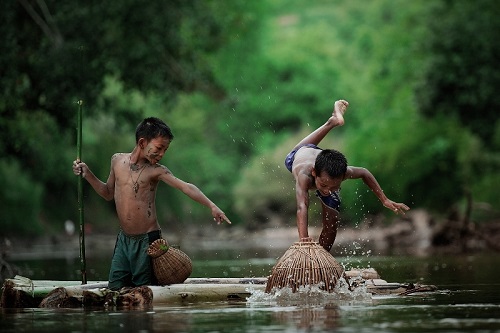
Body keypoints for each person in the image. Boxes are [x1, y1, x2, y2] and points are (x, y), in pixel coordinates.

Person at [72, 117, 231, 290]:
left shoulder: (156, 171)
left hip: (149, 241)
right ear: (142, 142)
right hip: (124, 240)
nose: (162, 154)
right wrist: (87, 174)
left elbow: (186, 187)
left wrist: (211, 205)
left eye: (165, 149)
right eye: (159, 148)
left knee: (144, 290)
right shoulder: (117, 161)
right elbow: (107, 193)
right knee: (115, 287)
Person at [284, 100, 410, 251]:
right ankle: (332, 122)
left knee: (332, 223)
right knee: (299, 150)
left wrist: (384, 199)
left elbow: (364, 172)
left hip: (325, 160)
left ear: (342, 177)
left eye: (334, 187)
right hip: (301, 154)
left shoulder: (341, 173)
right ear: (314, 173)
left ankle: (322, 259)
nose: (328, 191)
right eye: (323, 185)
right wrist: (303, 240)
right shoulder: (304, 175)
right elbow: (302, 206)